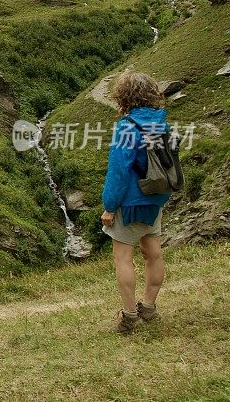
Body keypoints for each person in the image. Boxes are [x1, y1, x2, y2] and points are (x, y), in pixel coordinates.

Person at [101, 72, 171, 334]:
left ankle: (130, 316)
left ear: (124, 96)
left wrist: (109, 205)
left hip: (129, 203)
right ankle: (149, 308)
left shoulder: (127, 126)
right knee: (153, 254)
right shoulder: (161, 122)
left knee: (123, 258)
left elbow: (119, 171)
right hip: (155, 199)